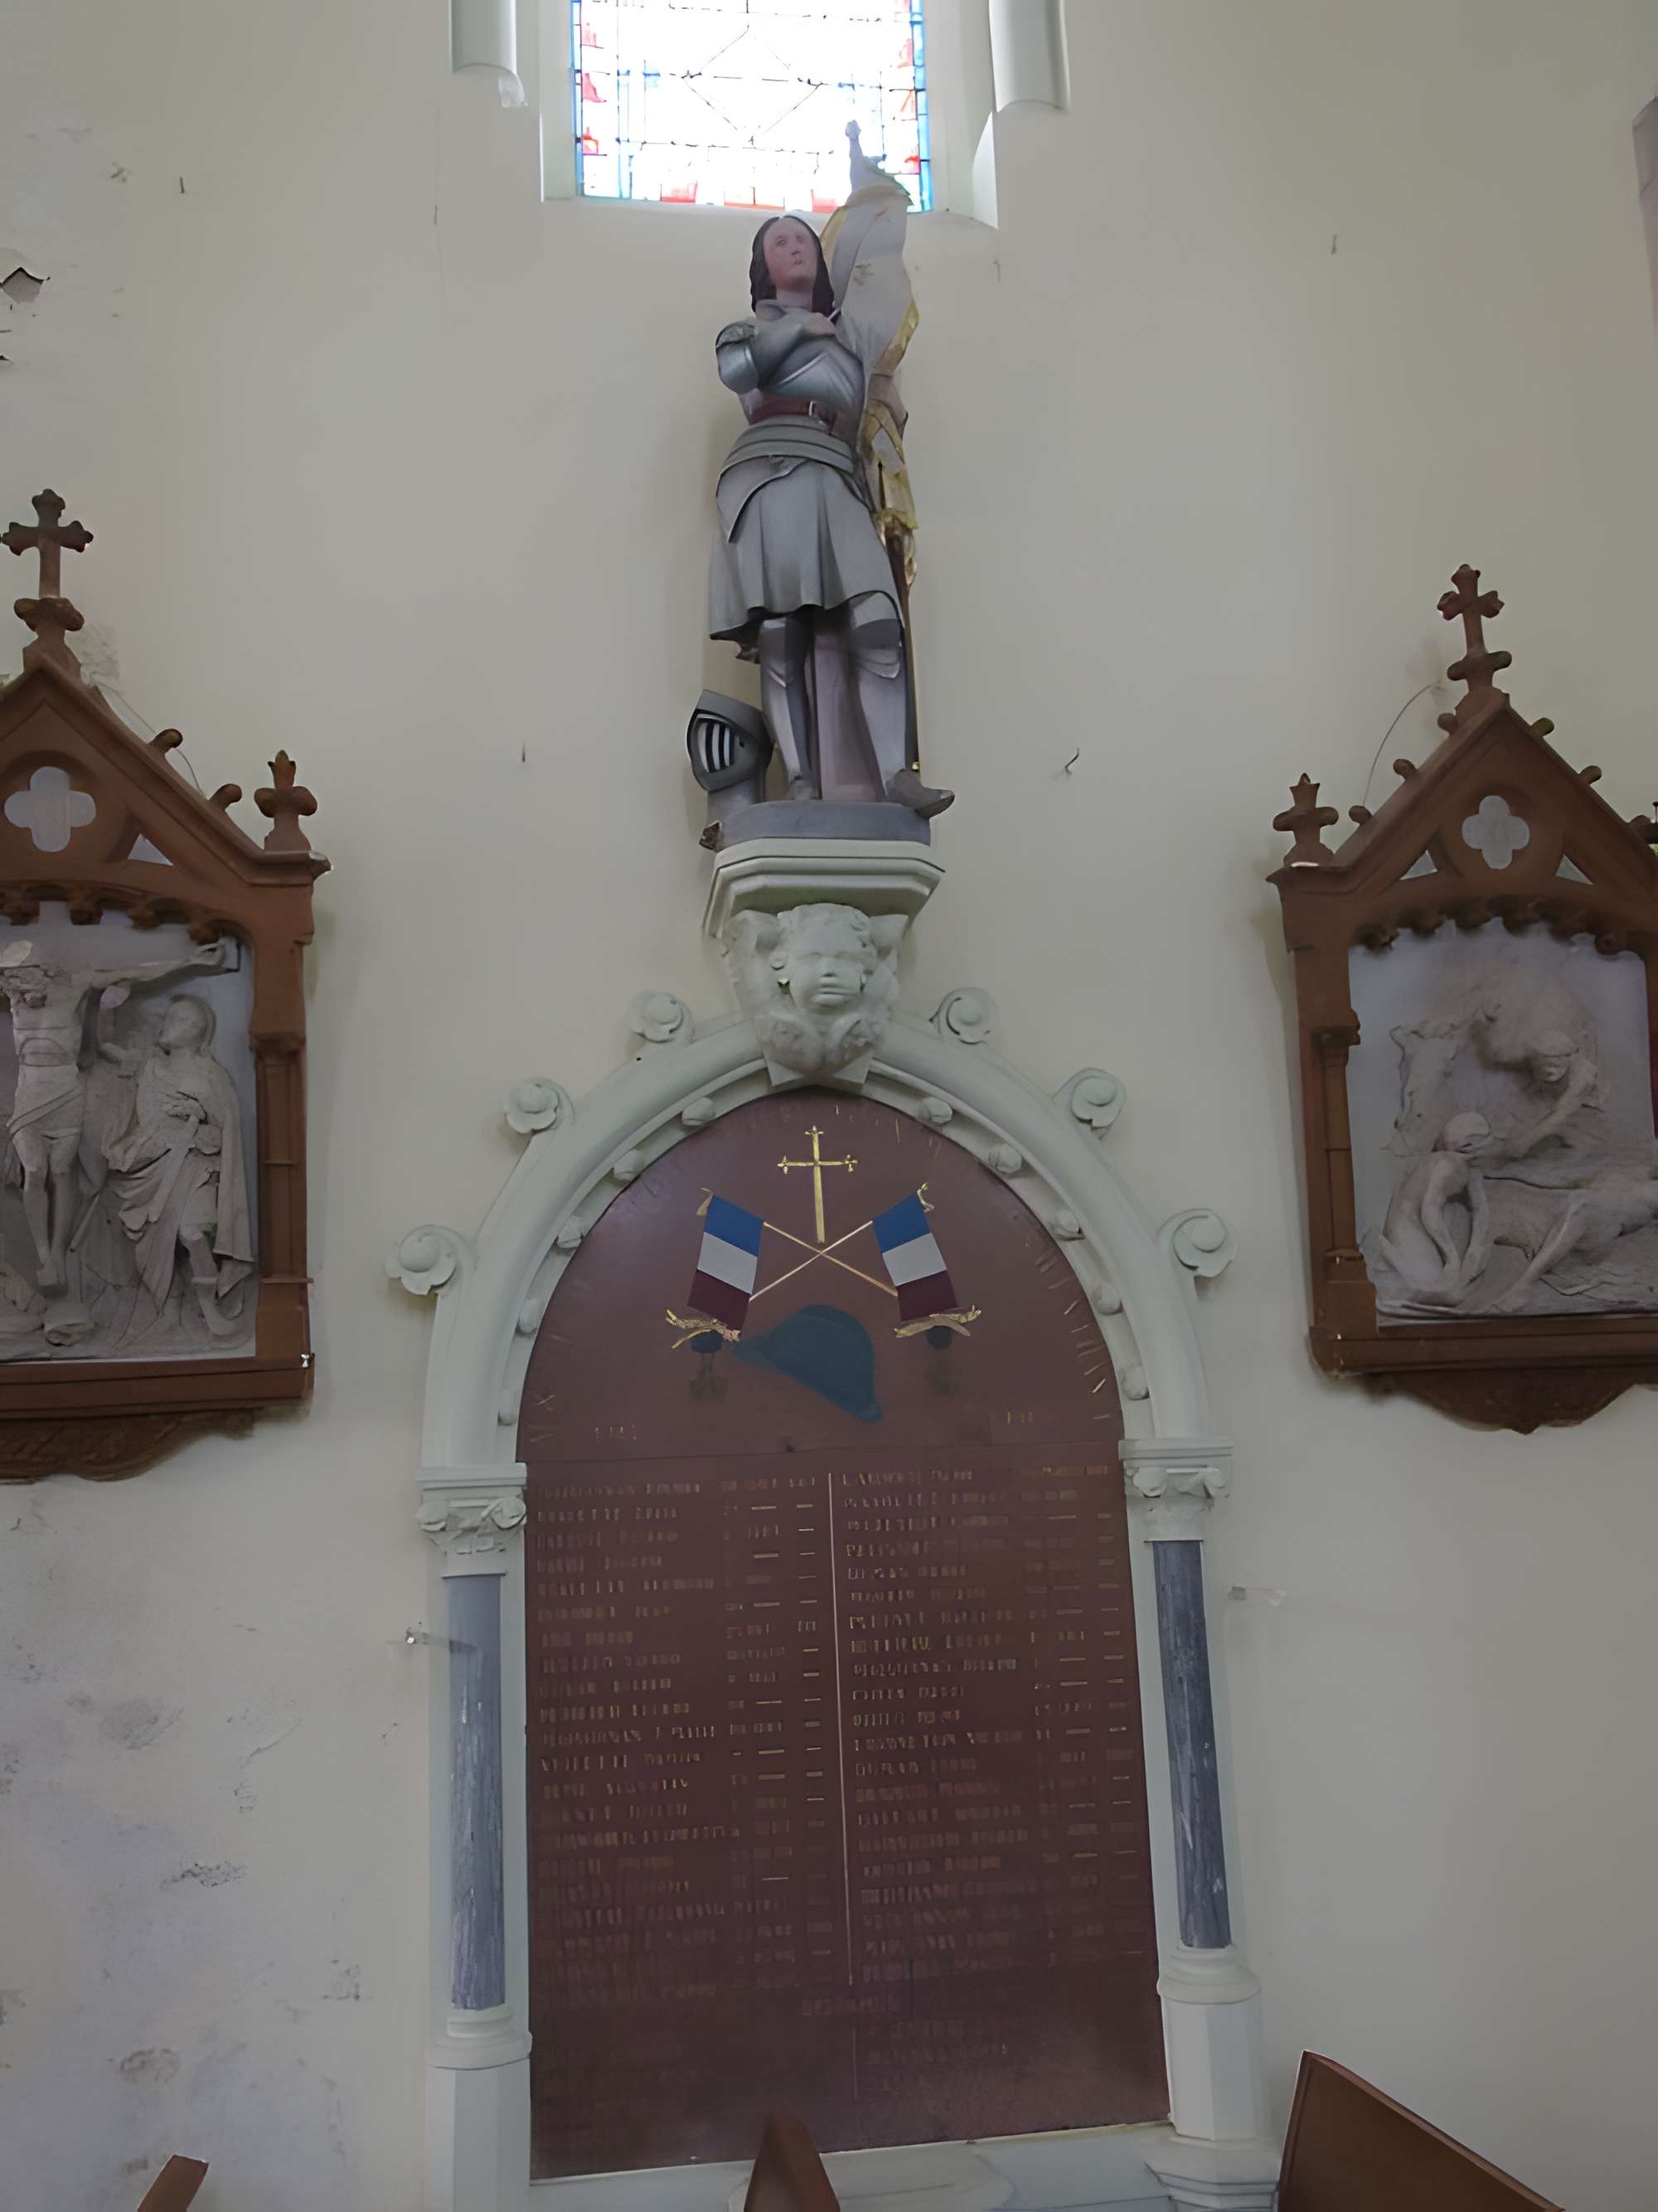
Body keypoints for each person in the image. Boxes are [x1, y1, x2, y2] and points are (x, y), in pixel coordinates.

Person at [708, 127, 952, 819]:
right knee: (783, 629)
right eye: (779, 242)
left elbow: (878, 267)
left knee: (877, 618)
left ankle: (894, 773)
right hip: (769, 474)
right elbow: (738, 373)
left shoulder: (849, 338)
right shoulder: (746, 331)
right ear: (762, 264)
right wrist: (799, 330)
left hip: (836, 476)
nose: (795, 247)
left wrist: (870, 187)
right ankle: (804, 778)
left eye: (803, 240)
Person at [0, 936, 225, 1293]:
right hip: (29, 1095)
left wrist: (189, 962)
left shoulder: (74, 984)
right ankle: (44, 1255)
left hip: (65, 1093)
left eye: (26, 983)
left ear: (44, 974)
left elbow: (131, 973)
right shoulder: (14, 997)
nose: (23, 993)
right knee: (34, 1170)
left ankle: (58, 1252)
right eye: (14, 985)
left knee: (61, 1172)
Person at [87, 992, 254, 1337]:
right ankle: (168, 1309)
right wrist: (103, 1004)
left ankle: (210, 1309)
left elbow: (225, 1132)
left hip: (196, 1168)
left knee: (192, 1232)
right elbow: (104, 1048)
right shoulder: (150, 1067)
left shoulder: (211, 1075)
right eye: (169, 1016)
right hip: (151, 1168)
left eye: (178, 1019)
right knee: (153, 1246)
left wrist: (195, 1123)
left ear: (196, 1030)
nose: (168, 1023)